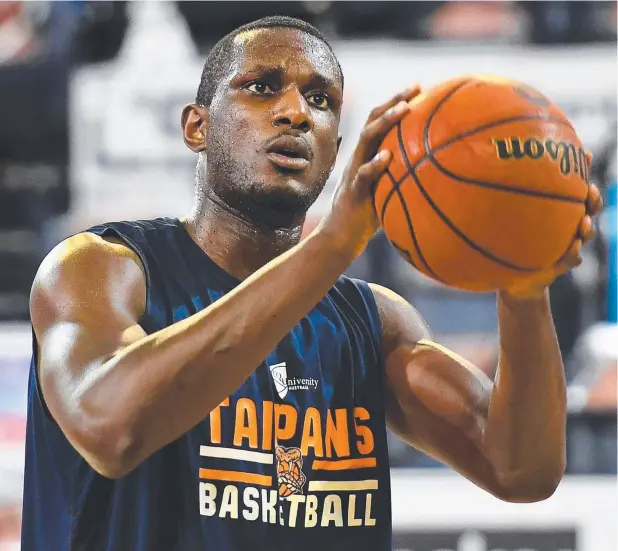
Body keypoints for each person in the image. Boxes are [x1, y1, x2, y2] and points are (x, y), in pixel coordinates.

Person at [20, 16, 602, 551]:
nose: (296, 111)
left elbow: (521, 471)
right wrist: (332, 247)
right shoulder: (102, 268)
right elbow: (110, 427)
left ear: (336, 151)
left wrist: (525, 290)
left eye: (320, 100)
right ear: (197, 126)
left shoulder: (373, 323)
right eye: (261, 87)